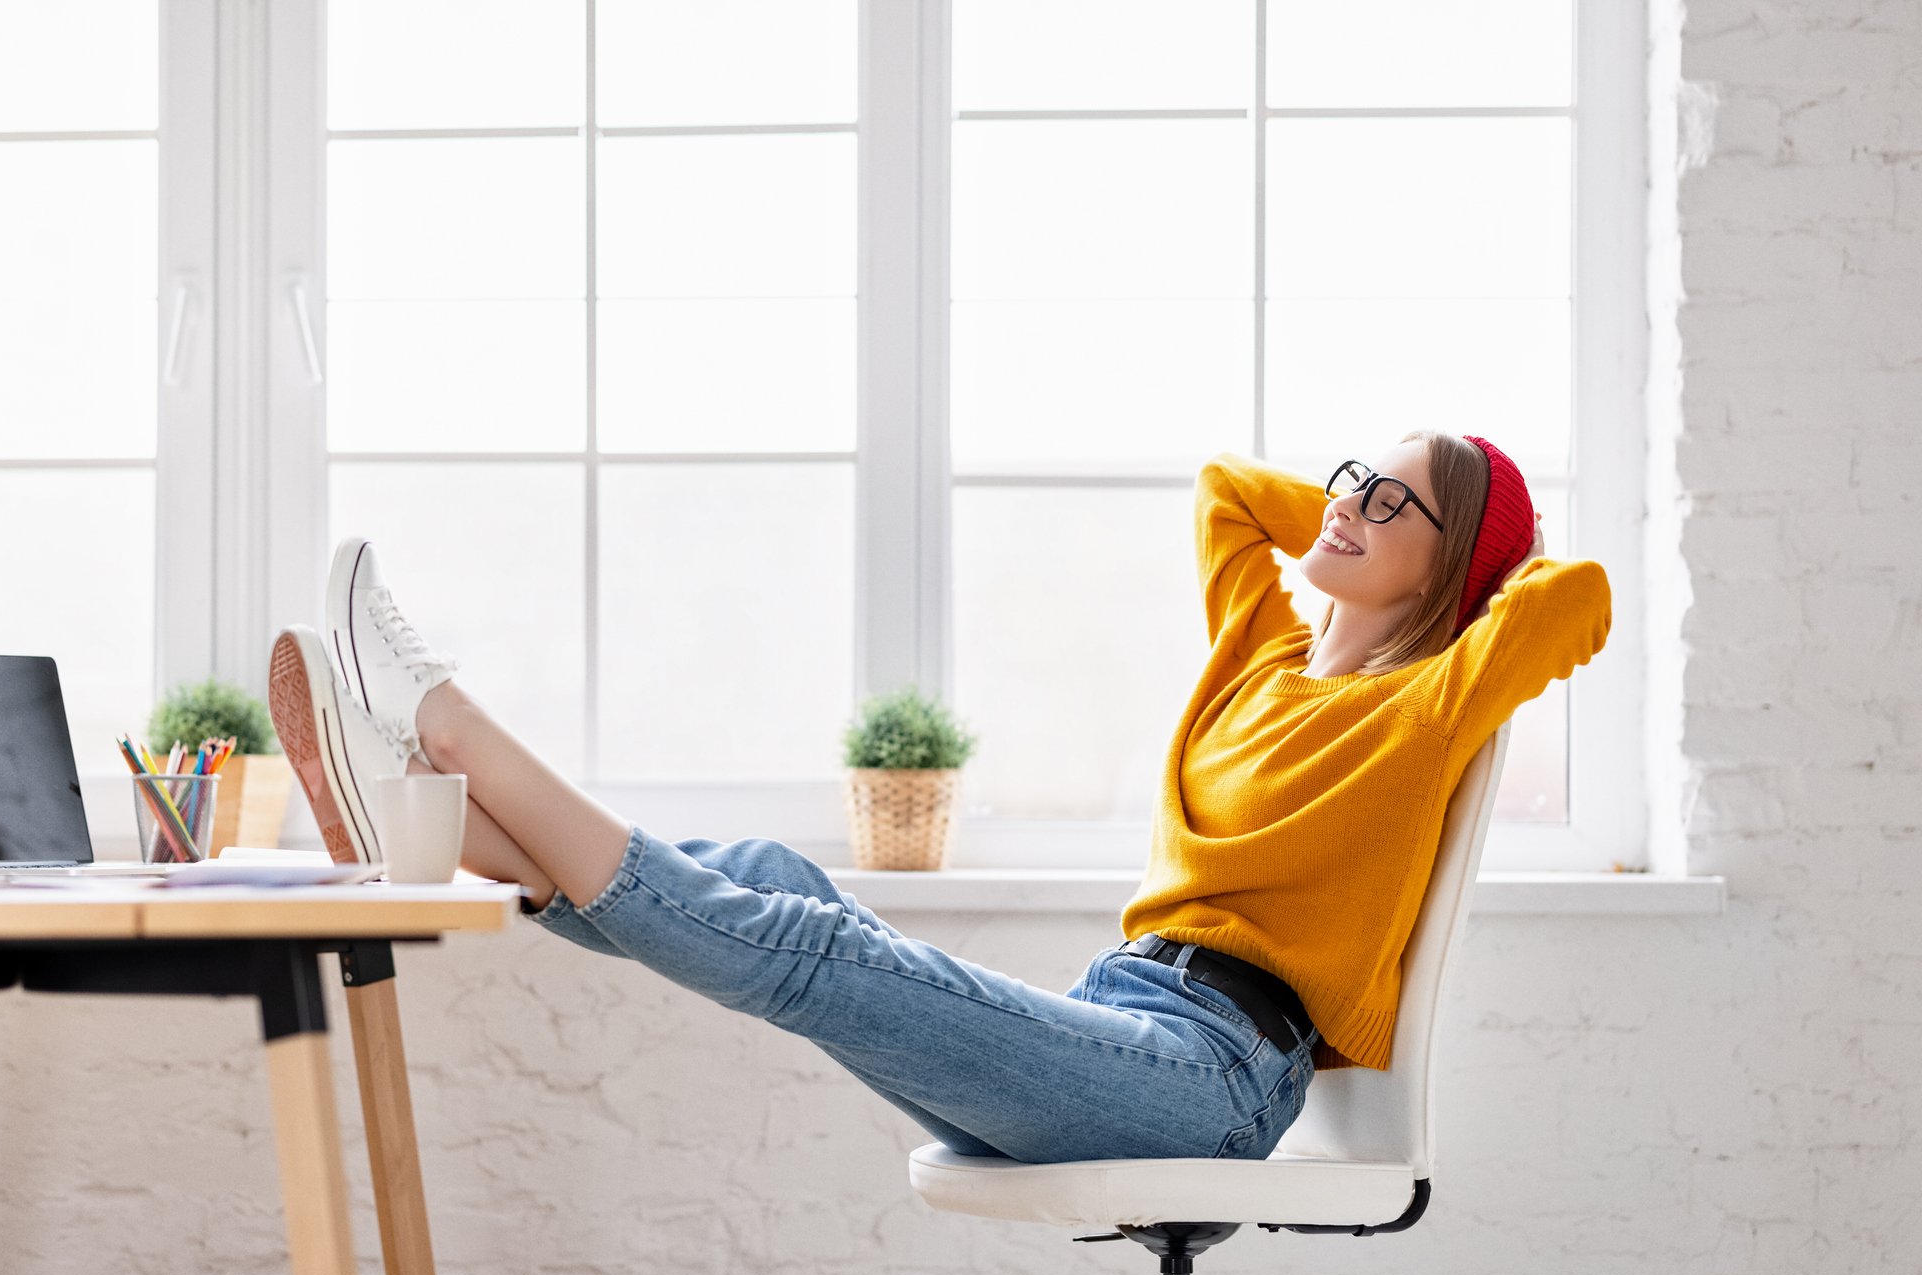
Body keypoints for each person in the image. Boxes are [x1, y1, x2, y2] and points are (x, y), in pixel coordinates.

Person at [264, 430, 1610, 1165]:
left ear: (1449, 580)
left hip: (1212, 1082)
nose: (1352, 504)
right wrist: (1377, 516)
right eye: (1353, 479)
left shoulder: (1432, 706)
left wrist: (1479, 559)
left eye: (1397, 505)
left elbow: (1573, 599)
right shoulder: (1260, 654)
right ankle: (427, 821)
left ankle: (438, 713)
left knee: (813, 948)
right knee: (779, 885)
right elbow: (1224, 491)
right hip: (1122, 1015)